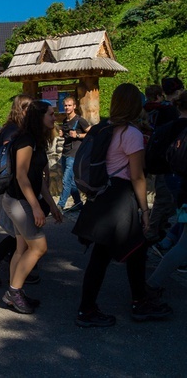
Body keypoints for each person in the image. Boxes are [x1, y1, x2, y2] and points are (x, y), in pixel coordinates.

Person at [72, 83, 172, 327]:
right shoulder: (131, 134)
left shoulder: (105, 127)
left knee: (134, 250)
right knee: (106, 255)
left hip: (104, 195)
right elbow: (137, 176)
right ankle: (89, 310)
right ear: (135, 105)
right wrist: (145, 211)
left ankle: (139, 299)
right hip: (119, 199)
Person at [1, 101, 62, 313]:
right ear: (39, 117)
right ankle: (13, 292)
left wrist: (52, 206)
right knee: (39, 247)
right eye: (51, 114)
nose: (55, 118)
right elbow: (21, 175)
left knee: (21, 248)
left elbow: (39, 180)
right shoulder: (26, 141)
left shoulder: (35, 140)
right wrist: (36, 207)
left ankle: (14, 291)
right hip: (19, 201)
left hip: (21, 200)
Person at [0, 94, 35, 287]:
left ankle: (18, 267)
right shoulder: (14, 131)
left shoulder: (12, 128)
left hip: (10, 187)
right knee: (20, 232)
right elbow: (11, 162)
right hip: (10, 188)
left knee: (20, 232)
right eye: (30, 108)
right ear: (23, 110)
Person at [147, 90, 187, 293]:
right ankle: (152, 285)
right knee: (183, 245)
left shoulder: (168, 126)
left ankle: (165, 241)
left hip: (175, 180)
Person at [56, 96, 90, 212]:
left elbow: (91, 133)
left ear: (74, 106)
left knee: (66, 180)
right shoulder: (65, 121)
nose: (67, 107)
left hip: (75, 153)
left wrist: (78, 135)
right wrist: (62, 134)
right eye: (65, 105)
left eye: (69, 105)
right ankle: (78, 203)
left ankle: (60, 205)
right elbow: (66, 135)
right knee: (71, 181)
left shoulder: (80, 120)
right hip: (65, 152)